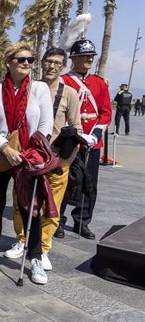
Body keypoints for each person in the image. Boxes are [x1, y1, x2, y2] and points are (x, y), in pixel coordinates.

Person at [0, 42, 53, 285]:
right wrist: (6, 148)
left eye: (30, 59)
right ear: (9, 62)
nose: (27, 63)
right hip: (0, 154)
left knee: (31, 206)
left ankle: (36, 257)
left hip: (28, 155)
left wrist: (33, 151)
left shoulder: (39, 89)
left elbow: (45, 125)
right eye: (21, 59)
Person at [6, 48, 82, 270]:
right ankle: (22, 240)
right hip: (27, 158)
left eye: (57, 63)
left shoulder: (69, 93)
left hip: (56, 160)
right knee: (20, 202)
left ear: (64, 67)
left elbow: (76, 126)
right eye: (48, 61)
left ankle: (43, 247)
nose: (52, 66)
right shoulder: (30, 89)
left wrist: (67, 157)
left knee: (51, 206)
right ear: (40, 63)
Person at [61, 39, 112, 239]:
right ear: (73, 59)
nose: (89, 59)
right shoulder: (64, 81)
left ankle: (82, 221)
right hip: (70, 138)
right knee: (64, 180)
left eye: (91, 56)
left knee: (89, 183)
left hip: (92, 141)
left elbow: (106, 113)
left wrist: (94, 135)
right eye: (84, 56)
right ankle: (58, 221)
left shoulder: (98, 83)